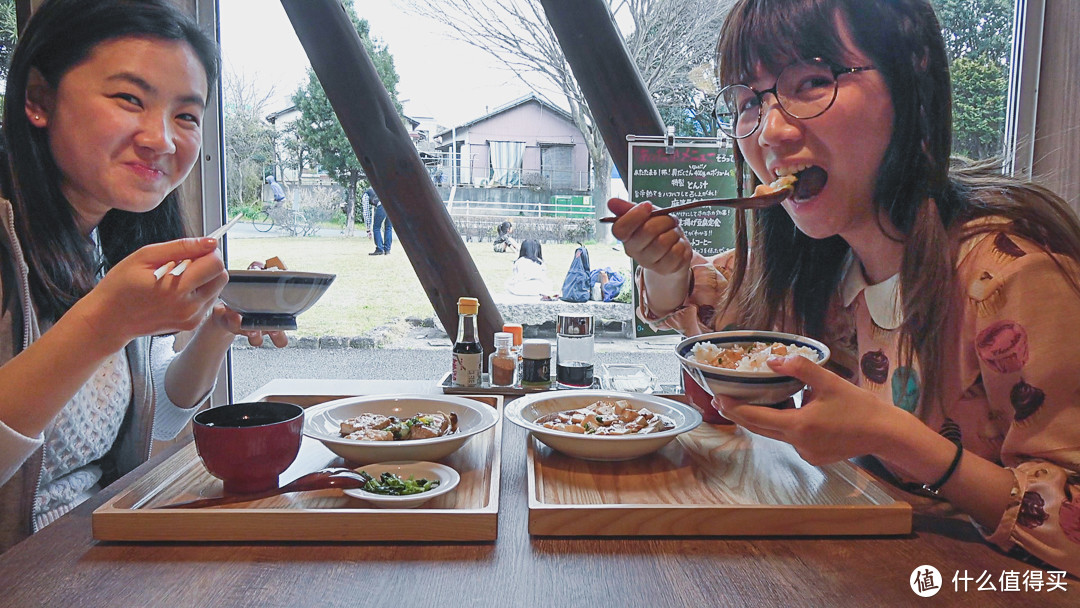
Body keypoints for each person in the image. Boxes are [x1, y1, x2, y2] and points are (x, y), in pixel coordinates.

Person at [608, 0, 1080, 574]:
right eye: (749, 102)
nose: (772, 132)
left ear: (912, 81)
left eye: (811, 81)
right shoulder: (823, 259)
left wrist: (896, 438)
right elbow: (721, 315)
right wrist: (665, 269)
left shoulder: (1007, 276)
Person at [0, 0, 286, 553]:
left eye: (186, 115)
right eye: (130, 99)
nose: (162, 139)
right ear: (38, 98)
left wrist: (221, 322)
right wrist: (105, 323)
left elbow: (153, 416)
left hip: (90, 557)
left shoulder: (100, 244)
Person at [365, 185, 392, 255]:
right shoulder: (379, 188)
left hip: (382, 205)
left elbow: (366, 212)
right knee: (388, 228)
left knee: (376, 227)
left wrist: (368, 229)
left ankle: (380, 249)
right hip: (391, 204)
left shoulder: (366, 195)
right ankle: (387, 249)